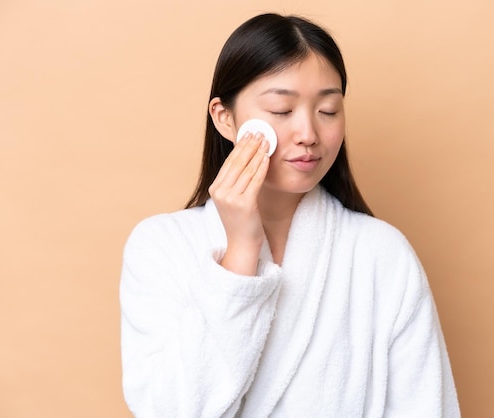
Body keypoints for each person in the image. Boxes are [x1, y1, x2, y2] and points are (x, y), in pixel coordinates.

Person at [120, 13, 460, 418]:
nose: (308, 133)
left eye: (328, 110)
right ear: (224, 117)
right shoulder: (161, 246)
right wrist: (240, 256)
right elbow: (169, 410)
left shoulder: (382, 254)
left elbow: (425, 407)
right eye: (282, 110)